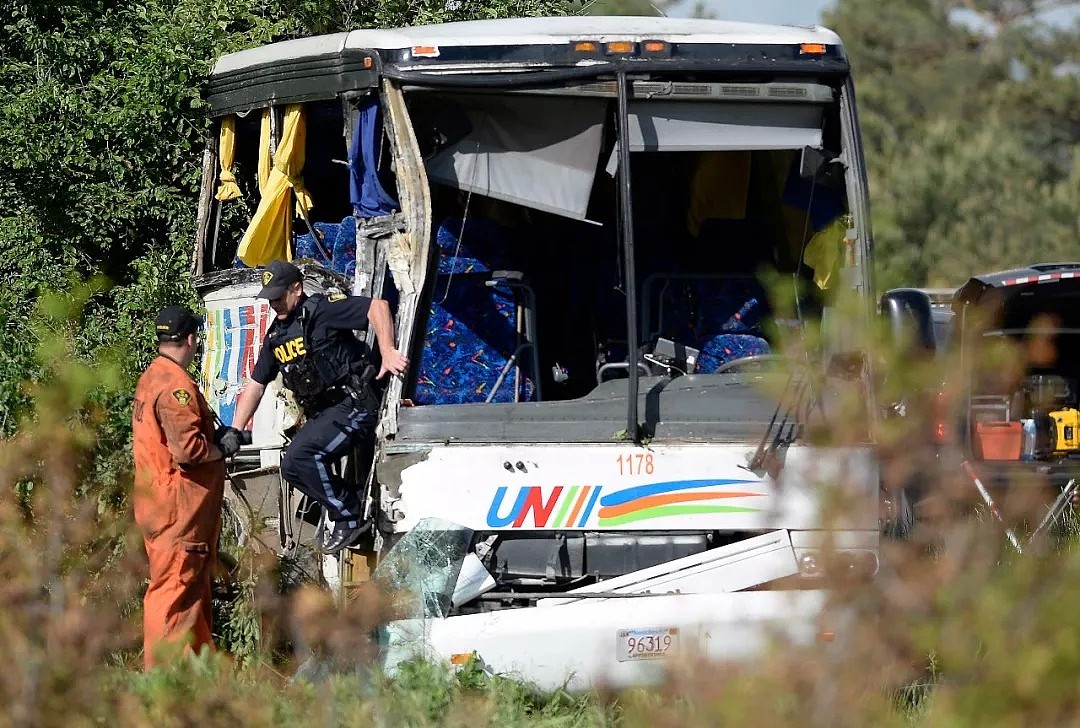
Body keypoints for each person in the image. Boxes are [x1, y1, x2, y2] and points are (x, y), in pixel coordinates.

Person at [226, 260, 409, 554]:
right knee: (292, 466)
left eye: (278, 296)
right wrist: (235, 430)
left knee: (300, 457)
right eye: (269, 298)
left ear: (296, 289)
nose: (273, 303)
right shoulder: (276, 336)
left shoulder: (322, 310)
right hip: (326, 414)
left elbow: (378, 306)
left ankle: (348, 516)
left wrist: (387, 352)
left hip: (355, 404)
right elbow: (256, 384)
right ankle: (353, 502)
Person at [131, 305, 244, 669]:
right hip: (180, 511)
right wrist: (220, 447)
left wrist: (215, 434)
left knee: (190, 595)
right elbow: (189, 451)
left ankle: (196, 682)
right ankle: (163, 683)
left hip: (159, 504)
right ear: (192, 339)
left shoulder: (153, 377)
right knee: (174, 596)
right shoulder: (177, 386)